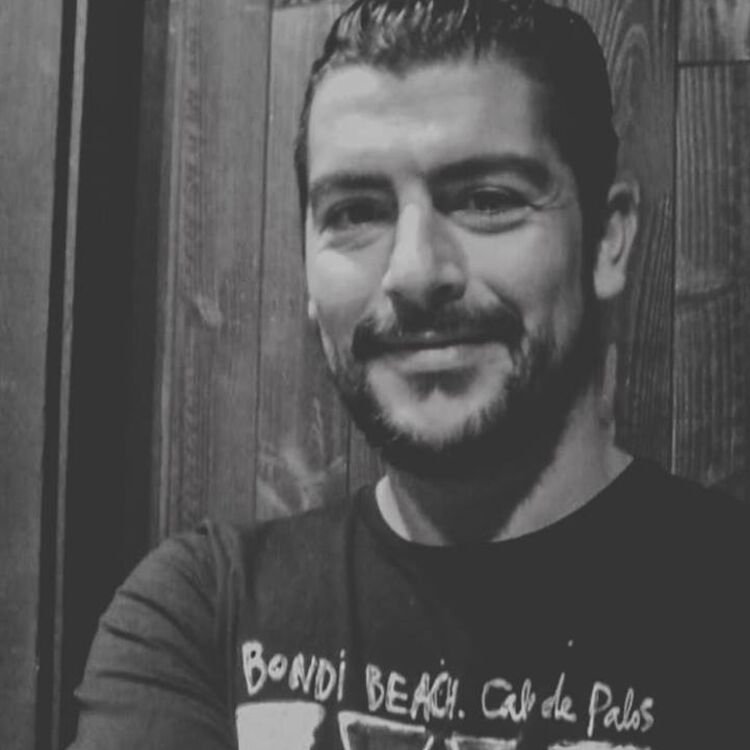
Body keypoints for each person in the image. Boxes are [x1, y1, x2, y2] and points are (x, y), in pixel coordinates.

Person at [68, 1, 749, 748]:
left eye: (488, 200)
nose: (415, 273)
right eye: (355, 212)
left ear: (608, 240)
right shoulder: (199, 618)